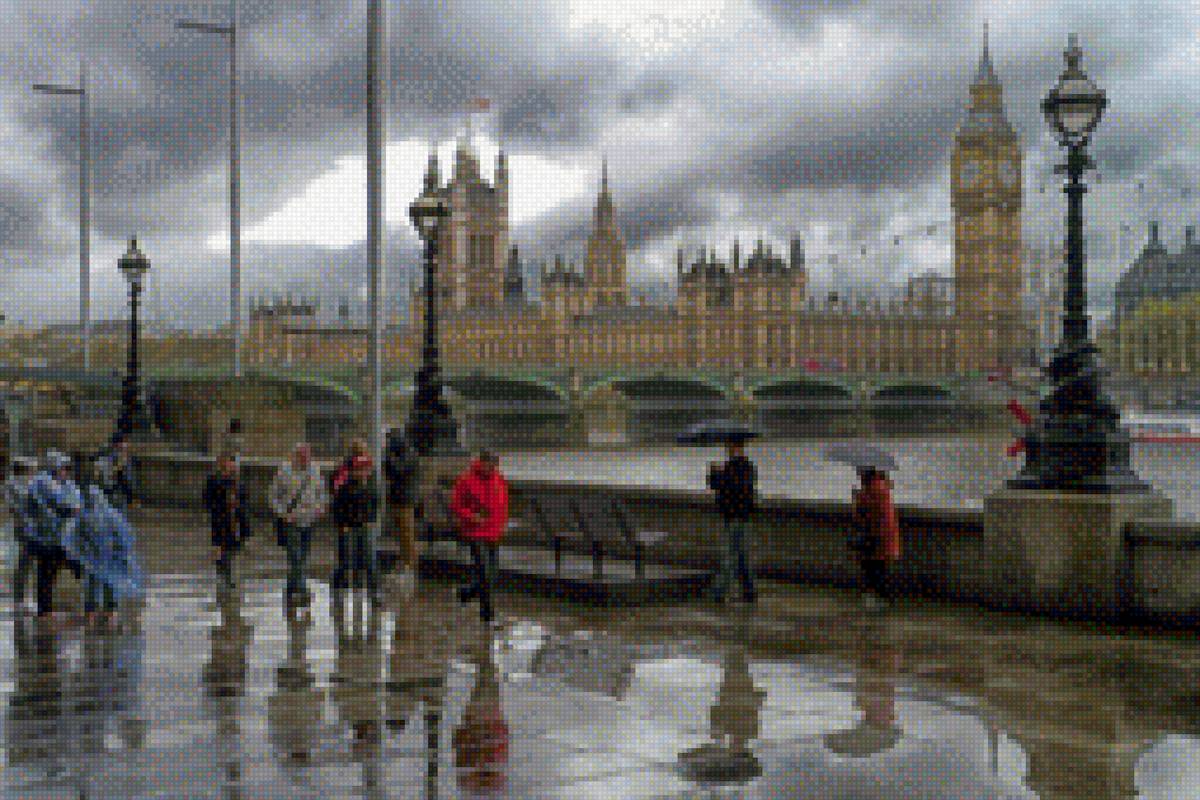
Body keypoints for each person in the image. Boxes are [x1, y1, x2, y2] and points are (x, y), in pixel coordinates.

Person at [450, 451, 508, 625]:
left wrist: (502, 525)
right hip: (474, 532)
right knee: (484, 572)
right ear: (481, 462)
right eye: (490, 464)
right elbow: (456, 505)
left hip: (493, 532)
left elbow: (503, 503)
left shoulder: (498, 478)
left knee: (492, 574)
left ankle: (466, 593)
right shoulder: (466, 479)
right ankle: (488, 616)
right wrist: (471, 517)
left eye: (495, 465)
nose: (493, 468)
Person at [269, 442, 328, 607]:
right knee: (295, 555)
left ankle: (291, 588)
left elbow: (321, 493)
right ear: (295, 456)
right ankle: (302, 590)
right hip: (291, 521)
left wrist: (320, 508)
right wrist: (283, 513)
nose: (305, 459)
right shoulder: (284, 472)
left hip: (309, 520)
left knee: (303, 556)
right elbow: (272, 496)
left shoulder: (315, 471)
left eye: (307, 455)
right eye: (302, 455)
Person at [27, 450, 84, 618]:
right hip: (46, 539)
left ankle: (92, 605)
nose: (65, 471)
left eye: (67, 468)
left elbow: (77, 503)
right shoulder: (42, 482)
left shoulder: (67, 484)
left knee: (80, 568)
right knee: (47, 573)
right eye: (62, 467)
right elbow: (59, 505)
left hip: (65, 538)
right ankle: (45, 609)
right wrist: (70, 509)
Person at [706, 437, 758, 604]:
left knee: (731, 557)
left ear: (738, 448)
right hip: (734, 516)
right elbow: (716, 486)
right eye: (727, 447)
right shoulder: (732, 467)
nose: (728, 450)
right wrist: (714, 472)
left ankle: (719, 593)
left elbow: (735, 488)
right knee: (741, 557)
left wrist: (720, 474)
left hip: (738, 516)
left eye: (730, 447)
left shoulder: (744, 467)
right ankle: (749, 591)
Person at [331, 454, 381, 603]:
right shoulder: (345, 486)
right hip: (348, 525)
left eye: (365, 469)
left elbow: (375, 504)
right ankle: (340, 586)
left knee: (368, 559)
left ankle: (372, 590)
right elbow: (339, 506)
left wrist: (371, 520)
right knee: (346, 558)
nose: (363, 472)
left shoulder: (371, 486)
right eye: (360, 469)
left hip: (365, 524)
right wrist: (342, 524)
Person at [851, 467, 901, 609]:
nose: (859, 475)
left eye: (860, 472)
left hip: (876, 537)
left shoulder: (873, 489)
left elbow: (862, 513)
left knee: (873, 570)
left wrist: (856, 498)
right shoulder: (881, 486)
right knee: (879, 569)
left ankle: (880, 600)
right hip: (883, 536)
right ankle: (881, 599)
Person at [204, 452, 250, 589]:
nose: (232, 466)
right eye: (229, 462)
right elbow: (207, 500)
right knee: (221, 548)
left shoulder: (238, 481)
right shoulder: (214, 480)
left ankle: (227, 573)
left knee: (233, 548)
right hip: (220, 520)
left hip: (236, 521)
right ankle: (224, 575)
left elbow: (245, 500)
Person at [383, 429, 420, 595]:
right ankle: (403, 561)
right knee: (399, 533)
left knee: (407, 533)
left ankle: (410, 564)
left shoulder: (409, 454)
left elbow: (399, 470)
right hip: (396, 498)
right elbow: (389, 472)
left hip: (405, 500)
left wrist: (389, 457)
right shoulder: (400, 453)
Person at [4, 457, 35, 612]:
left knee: (28, 563)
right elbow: (15, 507)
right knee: (22, 563)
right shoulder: (12, 485)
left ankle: (25, 597)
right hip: (21, 529)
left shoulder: (28, 484)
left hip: (32, 529)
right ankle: (18, 599)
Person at [95, 434, 136, 512]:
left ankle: (129, 502)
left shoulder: (123, 452)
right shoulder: (112, 453)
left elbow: (125, 465)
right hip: (113, 476)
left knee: (125, 485)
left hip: (121, 475)